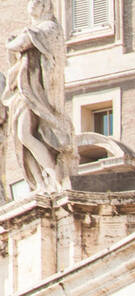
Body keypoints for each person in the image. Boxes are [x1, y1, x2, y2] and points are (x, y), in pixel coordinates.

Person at [3, 0, 73, 195]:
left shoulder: (49, 28)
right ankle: (40, 183)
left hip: (35, 93)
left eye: (37, 2)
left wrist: (12, 42)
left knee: (26, 134)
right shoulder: (35, 29)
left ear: (45, 6)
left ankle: (55, 178)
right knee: (21, 139)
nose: (32, 4)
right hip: (23, 90)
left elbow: (20, 44)